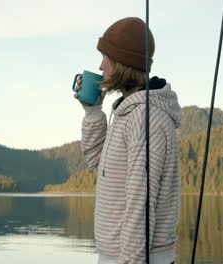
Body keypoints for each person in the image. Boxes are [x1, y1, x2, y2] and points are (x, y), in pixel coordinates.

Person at [74, 17, 181, 264]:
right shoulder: (128, 112)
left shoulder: (147, 119)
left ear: (122, 62)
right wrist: (92, 112)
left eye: (105, 58)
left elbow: (139, 207)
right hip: (119, 256)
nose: (100, 67)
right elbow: (96, 162)